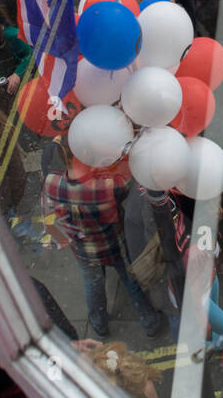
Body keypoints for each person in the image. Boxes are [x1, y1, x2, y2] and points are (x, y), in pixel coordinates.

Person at [44, 133, 166, 340]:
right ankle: (149, 321)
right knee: (131, 281)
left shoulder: (52, 182)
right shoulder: (109, 186)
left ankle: (99, 323)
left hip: (83, 248)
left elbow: (53, 216)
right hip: (114, 244)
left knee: (92, 283)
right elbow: (128, 182)